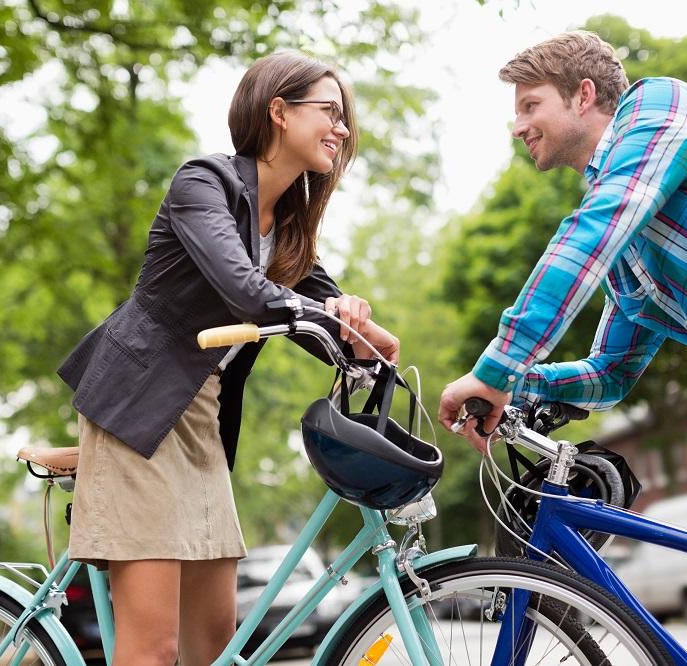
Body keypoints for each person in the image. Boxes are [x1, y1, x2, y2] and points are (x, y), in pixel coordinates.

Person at [437, 31, 687, 661]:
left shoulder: (661, 109)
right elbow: (610, 373)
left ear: (584, 96)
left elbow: (596, 231)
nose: (518, 126)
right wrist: (517, 387)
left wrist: (497, 366)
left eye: (530, 105)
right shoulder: (634, 245)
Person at [57, 51, 399, 666]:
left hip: (204, 427)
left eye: (344, 119)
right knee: (153, 652)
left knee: (213, 649)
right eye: (330, 112)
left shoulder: (289, 225)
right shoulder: (203, 183)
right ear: (278, 112)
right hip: (140, 416)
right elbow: (244, 288)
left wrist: (362, 335)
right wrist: (322, 313)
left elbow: (312, 305)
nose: (342, 130)